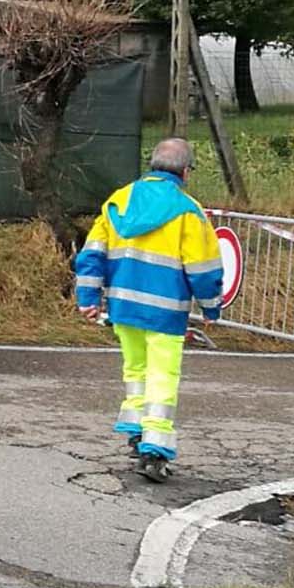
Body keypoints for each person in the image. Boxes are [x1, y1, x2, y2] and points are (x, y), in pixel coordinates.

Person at [73, 138, 225, 482]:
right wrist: (212, 308)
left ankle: (137, 432)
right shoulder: (188, 211)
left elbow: (92, 253)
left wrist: (88, 298)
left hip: (124, 307)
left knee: (136, 370)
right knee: (162, 378)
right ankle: (154, 451)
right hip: (166, 312)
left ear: (153, 164)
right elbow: (204, 269)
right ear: (186, 171)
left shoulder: (119, 200)